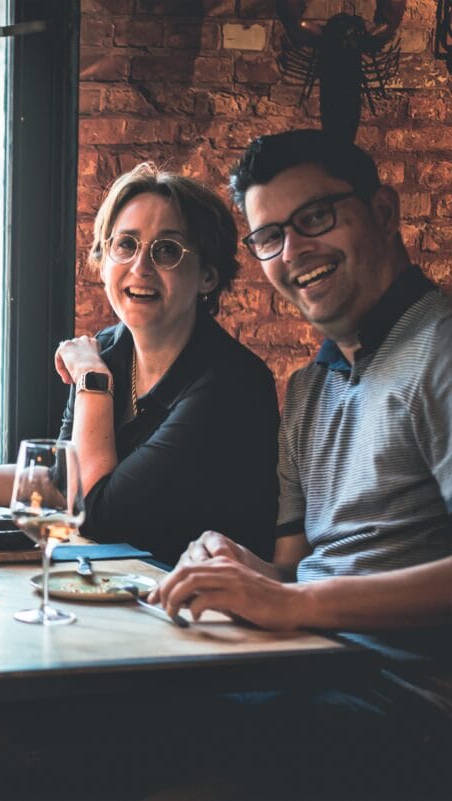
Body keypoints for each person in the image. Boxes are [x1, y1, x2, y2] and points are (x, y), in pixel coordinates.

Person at [150, 129, 452, 797]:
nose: (293, 251)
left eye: (315, 217)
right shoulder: (309, 387)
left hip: (409, 708)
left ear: (384, 211)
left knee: (142, 747)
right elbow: (297, 567)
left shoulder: (441, 349)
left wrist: (292, 602)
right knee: (97, 715)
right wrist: (240, 570)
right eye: (269, 237)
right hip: (309, 667)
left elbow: (300, 593)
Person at [0, 163, 279, 563]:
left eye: (167, 250)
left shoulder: (230, 385)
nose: (140, 267)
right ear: (103, 261)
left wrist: (91, 380)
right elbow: (62, 484)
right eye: (126, 244)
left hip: (196, 597)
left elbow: (97, 516)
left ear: (208, 276)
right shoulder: (107, 348)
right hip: (121, 584)